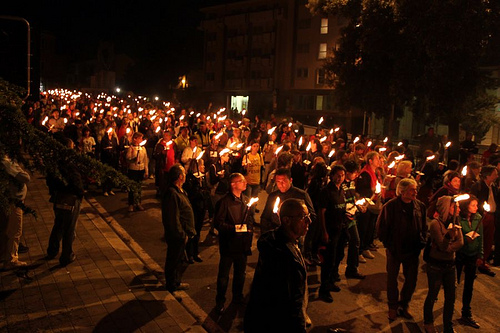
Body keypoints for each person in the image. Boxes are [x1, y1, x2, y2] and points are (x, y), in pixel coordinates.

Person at [244, 198, 311, 332]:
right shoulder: (285, 257)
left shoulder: (279, 242)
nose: (308, 221)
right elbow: (291, 302)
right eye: (303, 217)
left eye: (308, 216)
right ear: (286, 220)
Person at [376, 178, 427, 321]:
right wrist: (389, 245)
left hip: (413, 249)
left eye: (415, 189)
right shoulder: (390, 207)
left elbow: (424, 226)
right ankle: (392, 306)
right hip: (395, 249)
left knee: (411, 279)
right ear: (402, 192)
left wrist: (422, 239)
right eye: (412, 190)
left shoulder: (420, 206)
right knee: (392, 279)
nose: (415, 192)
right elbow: (381, 227)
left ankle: (404, 305)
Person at [213, 173, 254, 314]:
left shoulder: (246, 201)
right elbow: (218, 223)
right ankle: (220, 301)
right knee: (224, 276)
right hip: (229, 245)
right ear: (233, 184)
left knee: (240, 274)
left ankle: (237, 297)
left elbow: (250, 221)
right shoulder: (224, 202)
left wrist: (248, 235)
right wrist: (234, 229)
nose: (245, 183)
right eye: (241, 181)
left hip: (242, 245)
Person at [423, 196, 464, 333]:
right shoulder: (435, 224)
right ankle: (428, 322)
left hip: (450, 265)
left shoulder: (456, 222)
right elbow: (441, 245)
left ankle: (448, 325)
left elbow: (461, 242)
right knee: (433, 294)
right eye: (454, 207)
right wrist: (448, 238)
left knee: (451, 297)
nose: (457, 210)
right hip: (436, 265)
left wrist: (449, 247)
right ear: (446, 208)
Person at [46, 139, 84, 266]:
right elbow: (76, 181)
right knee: (69, 228)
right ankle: (66, 255)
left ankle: (52, 250)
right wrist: (80, 194)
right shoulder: (70, 163)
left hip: (58, 197)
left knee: (58, 225)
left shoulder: (54, 162)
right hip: (70, 198)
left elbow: (49, 180)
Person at [162, 164, 196, 292]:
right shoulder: (172, 194)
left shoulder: (179, 190)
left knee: (179, 260)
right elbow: (172, 217)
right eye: (184, 174)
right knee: (174, 260)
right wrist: (181, 234)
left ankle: (176, 282)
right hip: (177, 235)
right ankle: (171, 285)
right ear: (180, 177)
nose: (186, 176)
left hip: (183, 234)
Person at [317, 165, 347, 302]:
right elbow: (321, 212)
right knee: (328, 260)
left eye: (342, 175)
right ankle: (324, 289)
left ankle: (330, 282)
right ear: (332, 175)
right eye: (337, 175)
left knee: (336, 257)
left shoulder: (341, 190)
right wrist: (324, 232)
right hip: (330, 230)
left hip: (340, 229)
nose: (340, 178)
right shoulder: (326, 191)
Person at [261, 168, 316, 234]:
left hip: (295, 233)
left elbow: (312, 216)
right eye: (278, 182)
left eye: (283, 181)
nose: (281, 184)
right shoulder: (273, 196)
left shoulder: (301, 195)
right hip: (276, 232)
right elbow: (265, 216)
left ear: (290, 180)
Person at [456, 196, 482, 329]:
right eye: (473, 205)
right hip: (460, 254)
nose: (476, 208)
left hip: (472, 255)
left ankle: (466, 313)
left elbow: (480, 237)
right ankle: (448, 311)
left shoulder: (478, 218)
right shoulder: (459, 218)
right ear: (466, 206)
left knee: (469, 286)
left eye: (477, 205)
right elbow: (456, 238)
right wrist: (466, 240)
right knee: (454, 283)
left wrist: (480, 255)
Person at [1, 153, 31, 269]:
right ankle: (11, 259)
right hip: (14, 200)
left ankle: (5, 255)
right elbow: (25, 177)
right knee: (15, 230)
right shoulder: (6, 162)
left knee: (7, 228)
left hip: (10, 199)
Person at [470, 165, 498, 277]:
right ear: (488, 175)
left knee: (488, 240)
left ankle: (482, 262)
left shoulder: (493, 186)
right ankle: (472, 263)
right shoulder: (478, 186)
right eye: (495, 174)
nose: (497, 176)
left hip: (491, 216)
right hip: (480, 216)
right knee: (477, 240)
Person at [126, 132, 148, 212]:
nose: (141, 140)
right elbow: (128, 158)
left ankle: (138, 202)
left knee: (139, 187)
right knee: (132, 187)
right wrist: (133, 159)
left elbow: (145, 160)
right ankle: (131, 204)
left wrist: (146, 171)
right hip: (133, 170)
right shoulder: (131, 148)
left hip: (140, 169)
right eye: (140, 138)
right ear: (135, 139)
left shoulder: (143, 148)